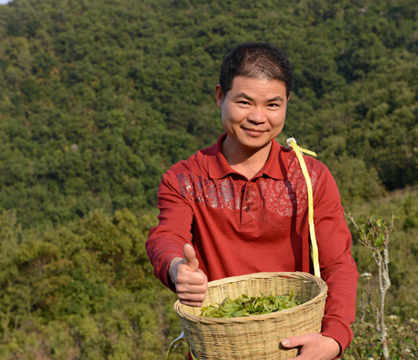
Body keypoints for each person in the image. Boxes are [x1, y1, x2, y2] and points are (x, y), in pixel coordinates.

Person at [146, 42, 358, 360]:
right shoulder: (184, 179)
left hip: (298, 349)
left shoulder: (310, 177)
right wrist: (177, 269)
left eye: (273, 105)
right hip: (220, 348)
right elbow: (167, 237)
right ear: (220, 96)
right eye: (244, 102)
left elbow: (338, 264)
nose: (258, 118)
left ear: (287, 103)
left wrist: (333, 339)